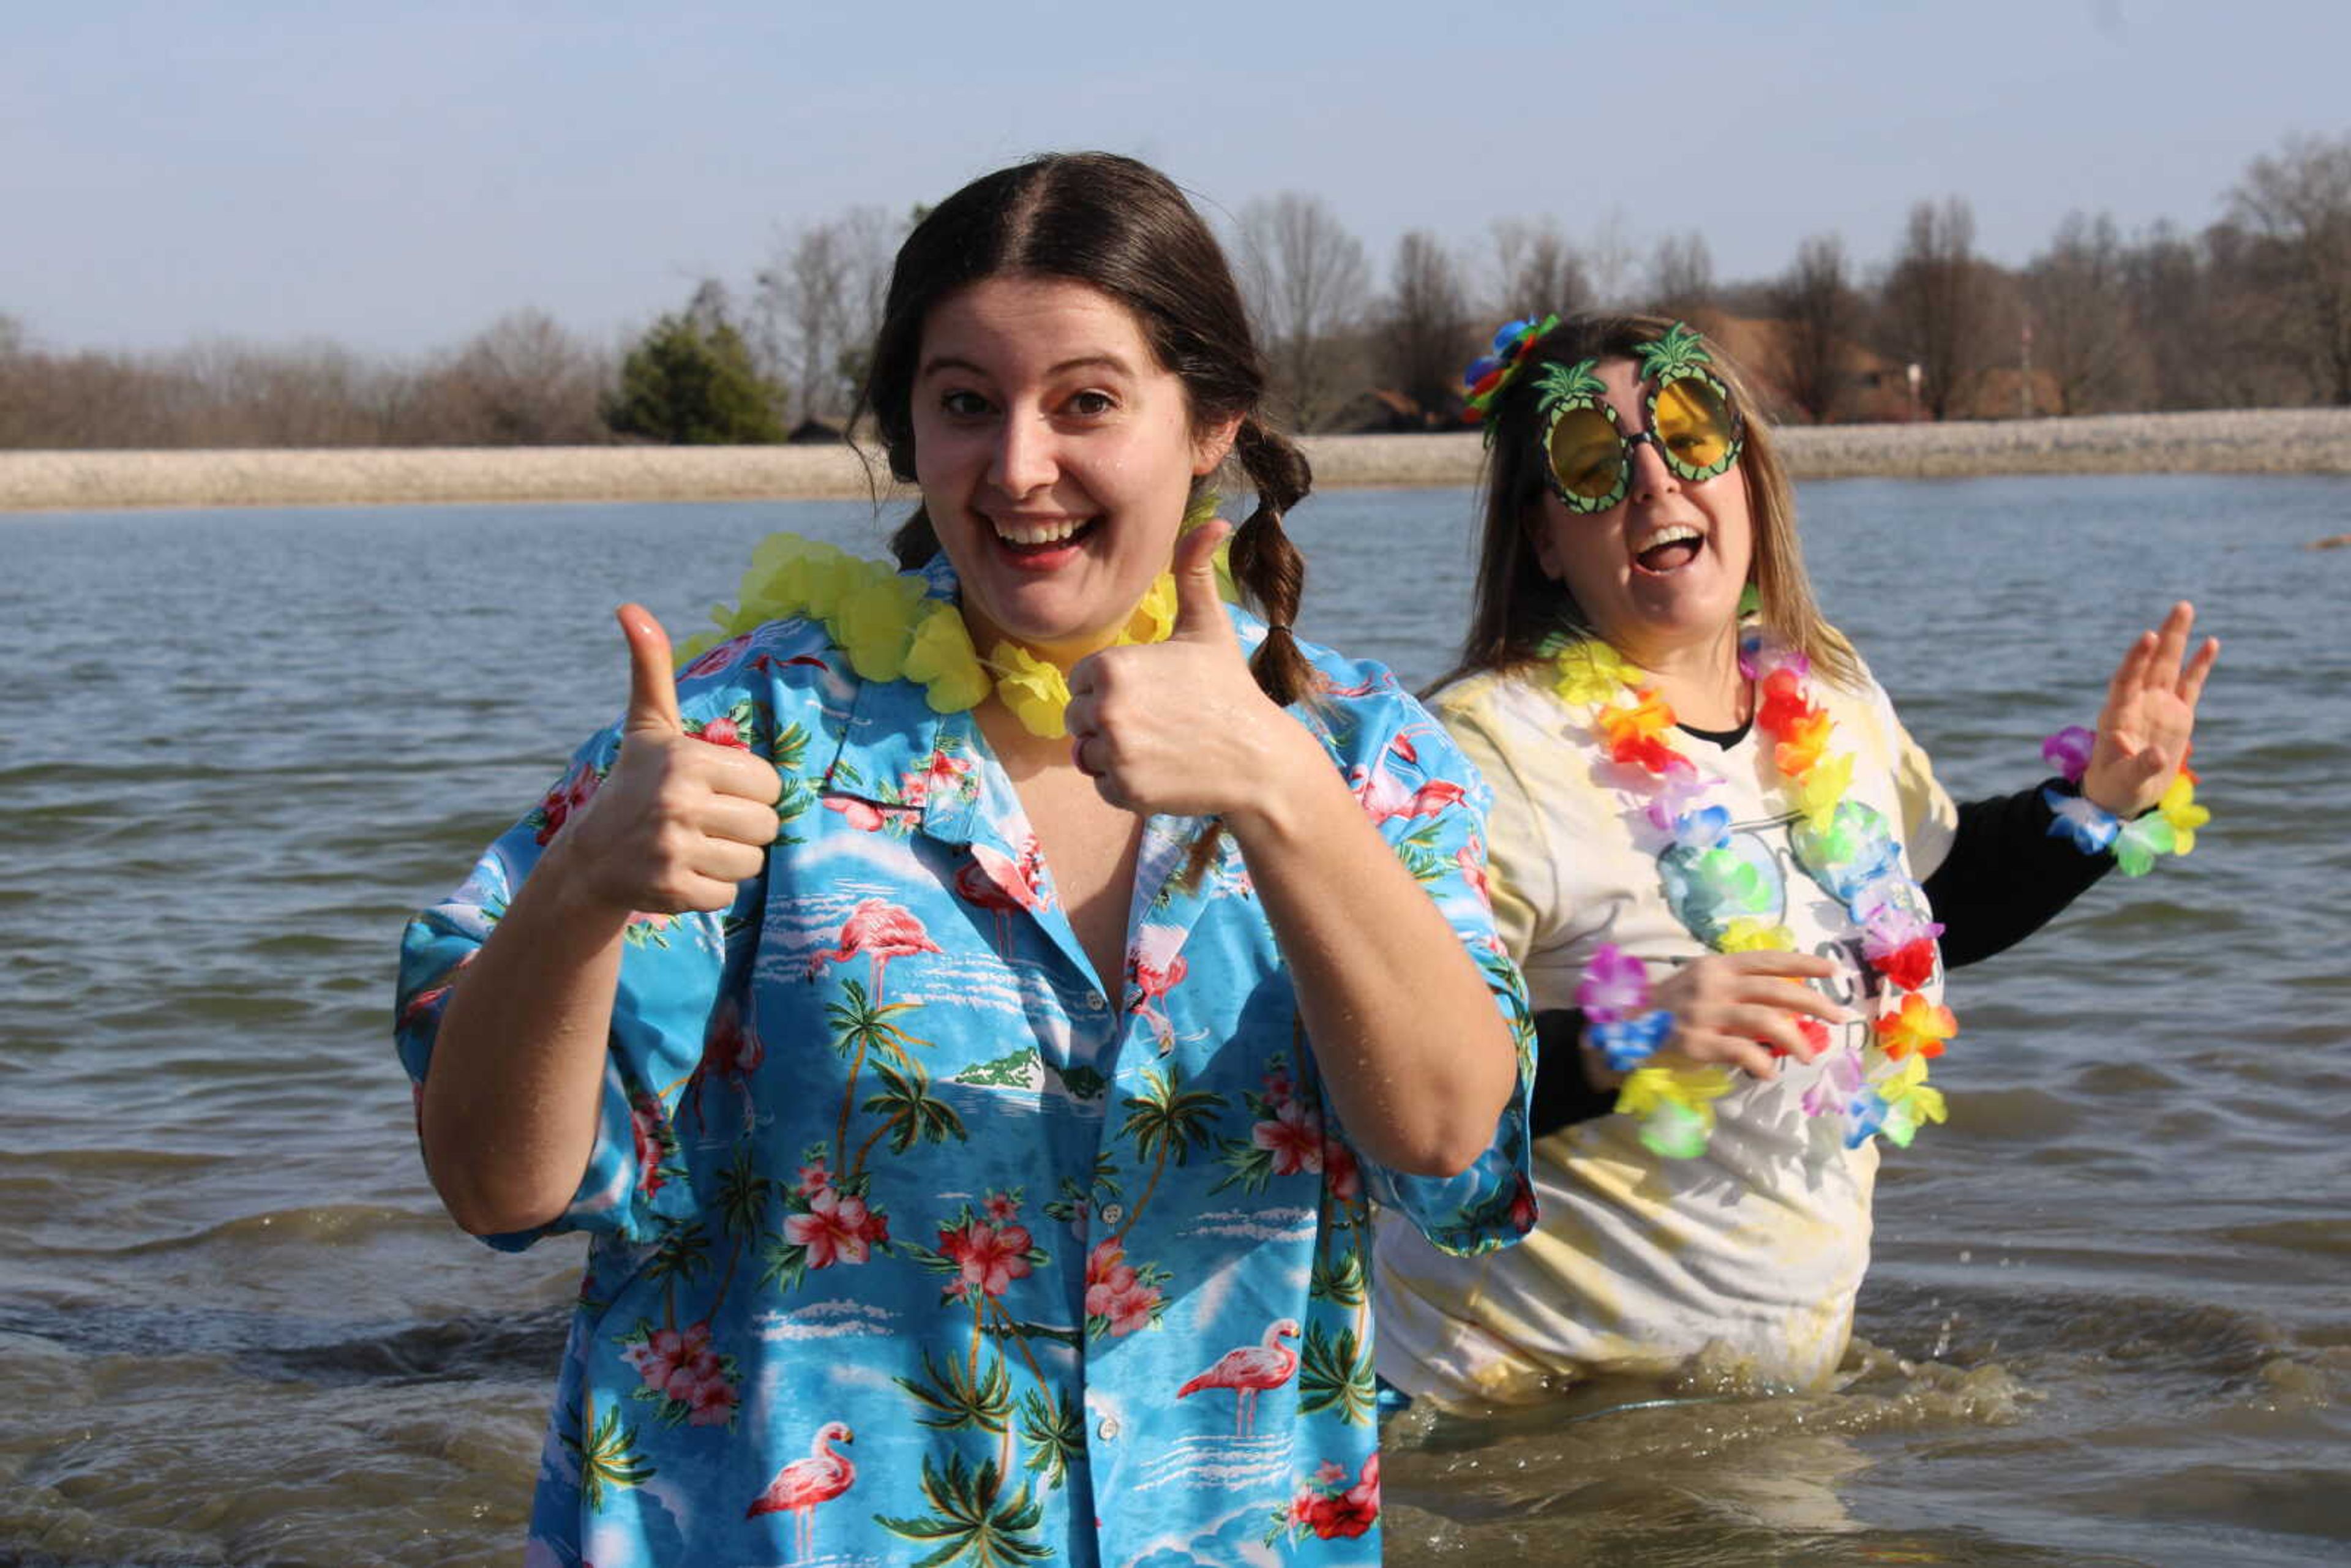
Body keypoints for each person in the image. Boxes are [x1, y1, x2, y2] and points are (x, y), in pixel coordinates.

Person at [396, 152, 1532, 1566]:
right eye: (965, 405)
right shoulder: (742, 736)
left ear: (1211, 425)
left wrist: (1276, 790)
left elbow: (1450, 1145)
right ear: (909, 426)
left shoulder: (1357, 753)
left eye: (1088, 403)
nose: (1018, 468)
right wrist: (573, 900)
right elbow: (497, 1187)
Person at [1373, 312, 2216, 1409]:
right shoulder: (1480, 752)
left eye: (1688, 429)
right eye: (1592, 459)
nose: (1653, 479)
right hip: (1522, 1415)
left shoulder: (1832, 696)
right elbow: (1395, 1087)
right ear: (1542, 537)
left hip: (1760, 1408)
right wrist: (1634, 1036)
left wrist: (2101, 804)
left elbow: (1933, 899)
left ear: (1750, 476)